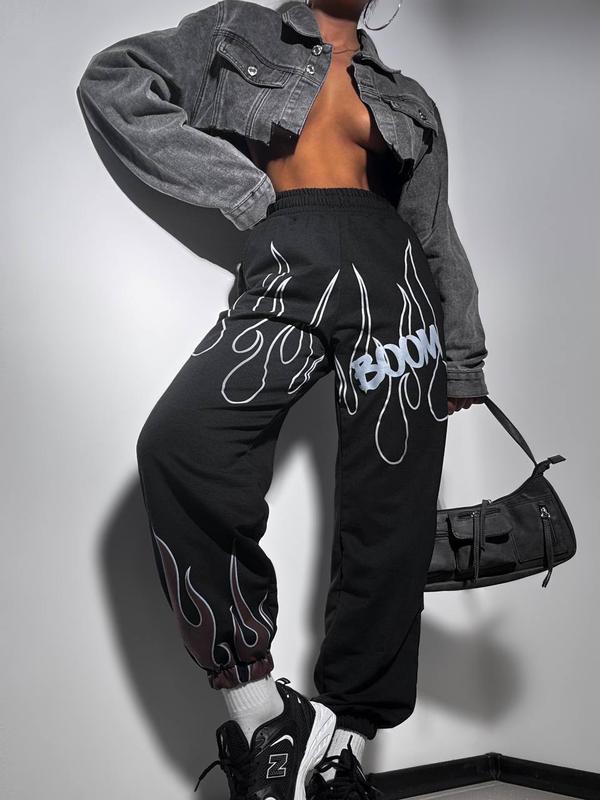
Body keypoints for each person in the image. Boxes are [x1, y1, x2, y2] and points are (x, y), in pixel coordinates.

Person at [76, 0, 490, 797]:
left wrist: (464, 357)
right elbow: (112, 81)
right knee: (180, 445)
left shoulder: (408, 97)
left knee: (390, 520)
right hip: (286, 261)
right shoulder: (237, 28)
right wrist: (239, 189)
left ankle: (339, 760)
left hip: (397, 286)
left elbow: (434, 229)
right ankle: (265, 715)